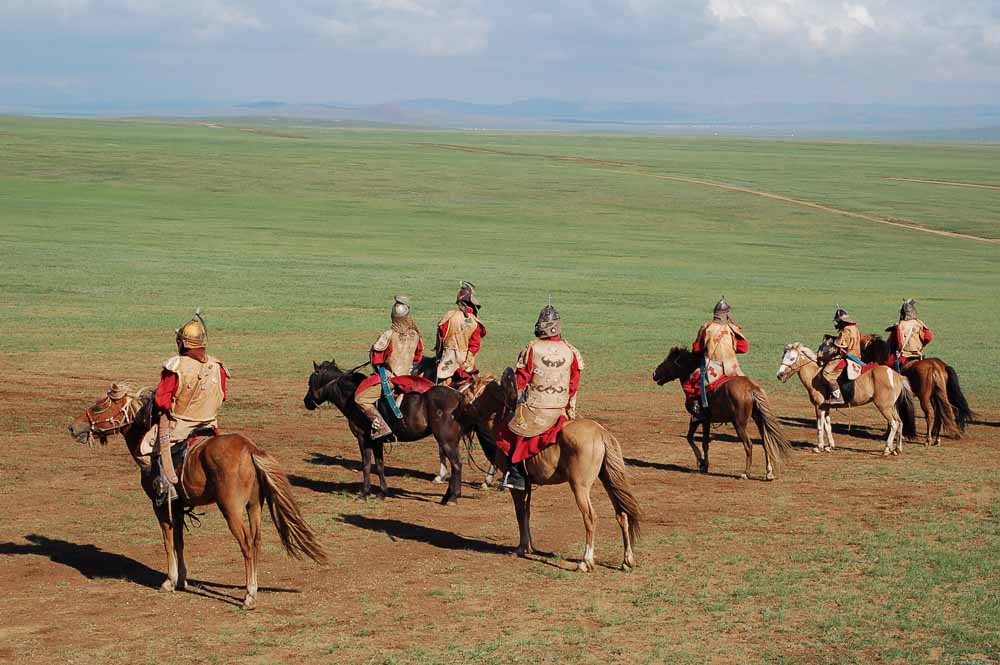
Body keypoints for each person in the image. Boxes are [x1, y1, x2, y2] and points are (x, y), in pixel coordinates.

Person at [139, 309, 229, 503]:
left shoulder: (176, 366)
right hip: (210, 425)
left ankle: (166, 490)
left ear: (182, 342)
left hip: (180, 427)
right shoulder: (217, 366)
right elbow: (223, 396)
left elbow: (162, 401)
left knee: (145, 449)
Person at [496, 298, 583, 491]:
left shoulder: (532, 348)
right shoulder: (571, 351)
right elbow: (574, 383)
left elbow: (521, 379)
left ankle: (516, 474)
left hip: (536, 407)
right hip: (560, 408)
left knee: (510, 431)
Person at [354, 296, 424, 440]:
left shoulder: (388, 335)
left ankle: (382, 426)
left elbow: (377, 360)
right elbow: (418, 358)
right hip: (409, 378)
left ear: (393, 316)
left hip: (392, 378)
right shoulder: (415, 335)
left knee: (361, 399)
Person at [682, 297, 748, 421]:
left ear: (715, 313)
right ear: (727, 315)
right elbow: (744, 348)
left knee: (691, 382)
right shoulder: (733, 328)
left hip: (713, 367)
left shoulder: (706, 327)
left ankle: (698, 410)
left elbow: (697, 349)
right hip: (733, 367)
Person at [436, 281, 486, 385]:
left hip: (447, 359)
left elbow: (440, 339)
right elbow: (474, 346)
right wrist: (466, 363)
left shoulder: (449, 316)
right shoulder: (475, 322)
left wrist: (439, 357)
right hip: (465, 361)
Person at [821, 307, 862, 406]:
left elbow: (840, 345)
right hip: (857, 354)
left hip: (847, 356)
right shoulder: (854, 328)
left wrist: (831, 342)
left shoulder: (846, 330)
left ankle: (838, 397)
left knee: (826, 373)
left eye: (838, 321)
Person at [885, 299, 932, 368]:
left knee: (887, 364)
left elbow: (893, 342)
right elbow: (928, 337)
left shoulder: (899, 326)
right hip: (918, 354)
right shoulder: (920, 323)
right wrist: (919, 347)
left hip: (903, 356)